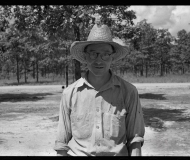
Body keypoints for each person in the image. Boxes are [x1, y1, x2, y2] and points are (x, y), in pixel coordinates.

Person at [53, 18, 145, 156]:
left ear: (112, 57)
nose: (99, 60)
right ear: (85, 56)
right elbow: (61, 143)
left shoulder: (128, 92)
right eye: (93, 53)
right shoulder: (69, 93)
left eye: (105, 54)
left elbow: (135, 140)